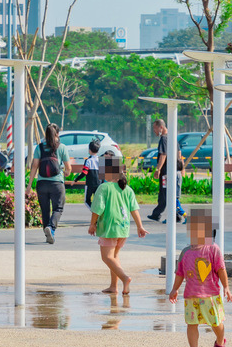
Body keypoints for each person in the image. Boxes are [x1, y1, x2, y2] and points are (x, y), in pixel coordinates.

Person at [168, 209, 232, 347]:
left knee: (216, 323)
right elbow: (180, 273)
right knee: (192, 323)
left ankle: (220, 341)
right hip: (191, 296)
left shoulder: (213, 249)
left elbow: (221, 269)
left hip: (210, 295)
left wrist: (226, 287)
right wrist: (174, 289)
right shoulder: (186, 252)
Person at [89, 155, 148, 295]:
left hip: (110, 228)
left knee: (106, 257)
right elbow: (134, 209)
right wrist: (140, 226)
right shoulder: (127, 189)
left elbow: (97, 208)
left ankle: (124, 278)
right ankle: (113, 286)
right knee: (114, 257)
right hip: (123, 228)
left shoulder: (104, 188)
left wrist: (92, 225)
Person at [26, 123, 70, 244]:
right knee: (58, 208)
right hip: (57, 184)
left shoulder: (39, 147)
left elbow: (34, 166)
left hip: (42, 184)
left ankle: (47, 233)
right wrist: (66, 173)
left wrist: (29, 185)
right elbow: (68, 168)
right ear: (57, 134)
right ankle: (51, 228)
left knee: (45, 210)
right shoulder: (62, 147)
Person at [147, 119, 185, 223]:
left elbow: (163, 155)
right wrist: (182, 168)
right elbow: (179, 154)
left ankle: (174, 216)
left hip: (167, 172)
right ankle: (158, 214)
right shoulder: (173, 137)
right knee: (168, 194)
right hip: (174, 171)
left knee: (166, 194)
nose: (154, 131)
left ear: (161, 128)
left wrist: (158, 169)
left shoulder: (164, 139)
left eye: (155, 128)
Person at [74, 138, 102, 209]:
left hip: (90, 185)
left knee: (87, 201)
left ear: (89, 150)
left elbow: (84, 173)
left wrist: (76, 180)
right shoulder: (101, 160)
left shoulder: (88, 161)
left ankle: (94, 213)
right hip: (99, 184)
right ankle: (98, 215)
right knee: (98, 201)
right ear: (98, 150)